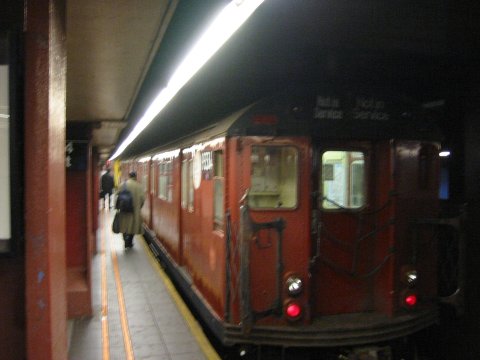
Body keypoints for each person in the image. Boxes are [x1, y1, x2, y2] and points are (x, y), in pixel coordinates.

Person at [116, 171, 145, 249]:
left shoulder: (122, 185)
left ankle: (125, 240)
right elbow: (142, 199)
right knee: (132, 227)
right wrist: (138, 207)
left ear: (129, 176)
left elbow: (117, 197)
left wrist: (118, 207)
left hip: (124, 210)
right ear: (136, 177)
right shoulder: (139, 186)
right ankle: (129, 242)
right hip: (134, 211)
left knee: (124, 226)